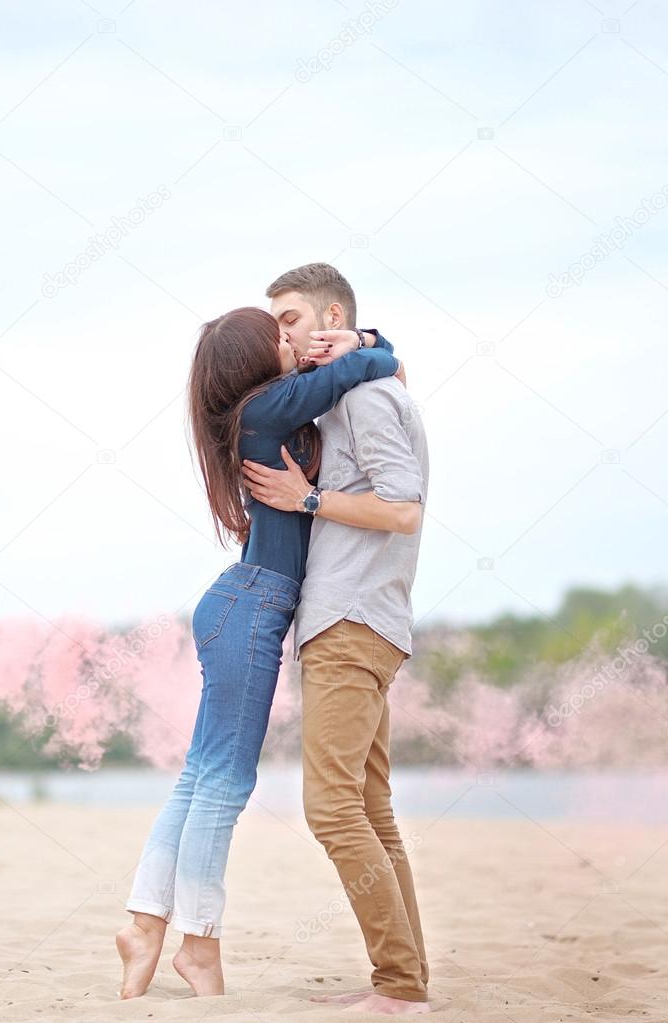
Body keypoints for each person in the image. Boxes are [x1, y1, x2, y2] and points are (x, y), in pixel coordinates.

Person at [115, 305, 407, 999]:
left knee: (199, 776)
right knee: (223, 784)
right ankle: (200, 945)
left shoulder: (258, 412)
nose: (293, 341)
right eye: (279, 336)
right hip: (250, 610)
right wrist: (363, 339)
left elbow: (341, 372)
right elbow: (375, 363)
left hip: (240, 606)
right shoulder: (268, 408)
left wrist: (333, 350)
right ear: (254, 359)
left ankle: (145, 922)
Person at [242, 263, 430, 1014]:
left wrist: (308, 497)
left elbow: (404, 508)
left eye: (288, 318)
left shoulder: (367, 397)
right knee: (370, 808)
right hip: (357, 618)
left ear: (327, 315)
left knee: (331, 809)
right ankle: (406, 979)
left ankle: (399, 985)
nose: (279, 334)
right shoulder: (359, 386)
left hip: (352, 621)